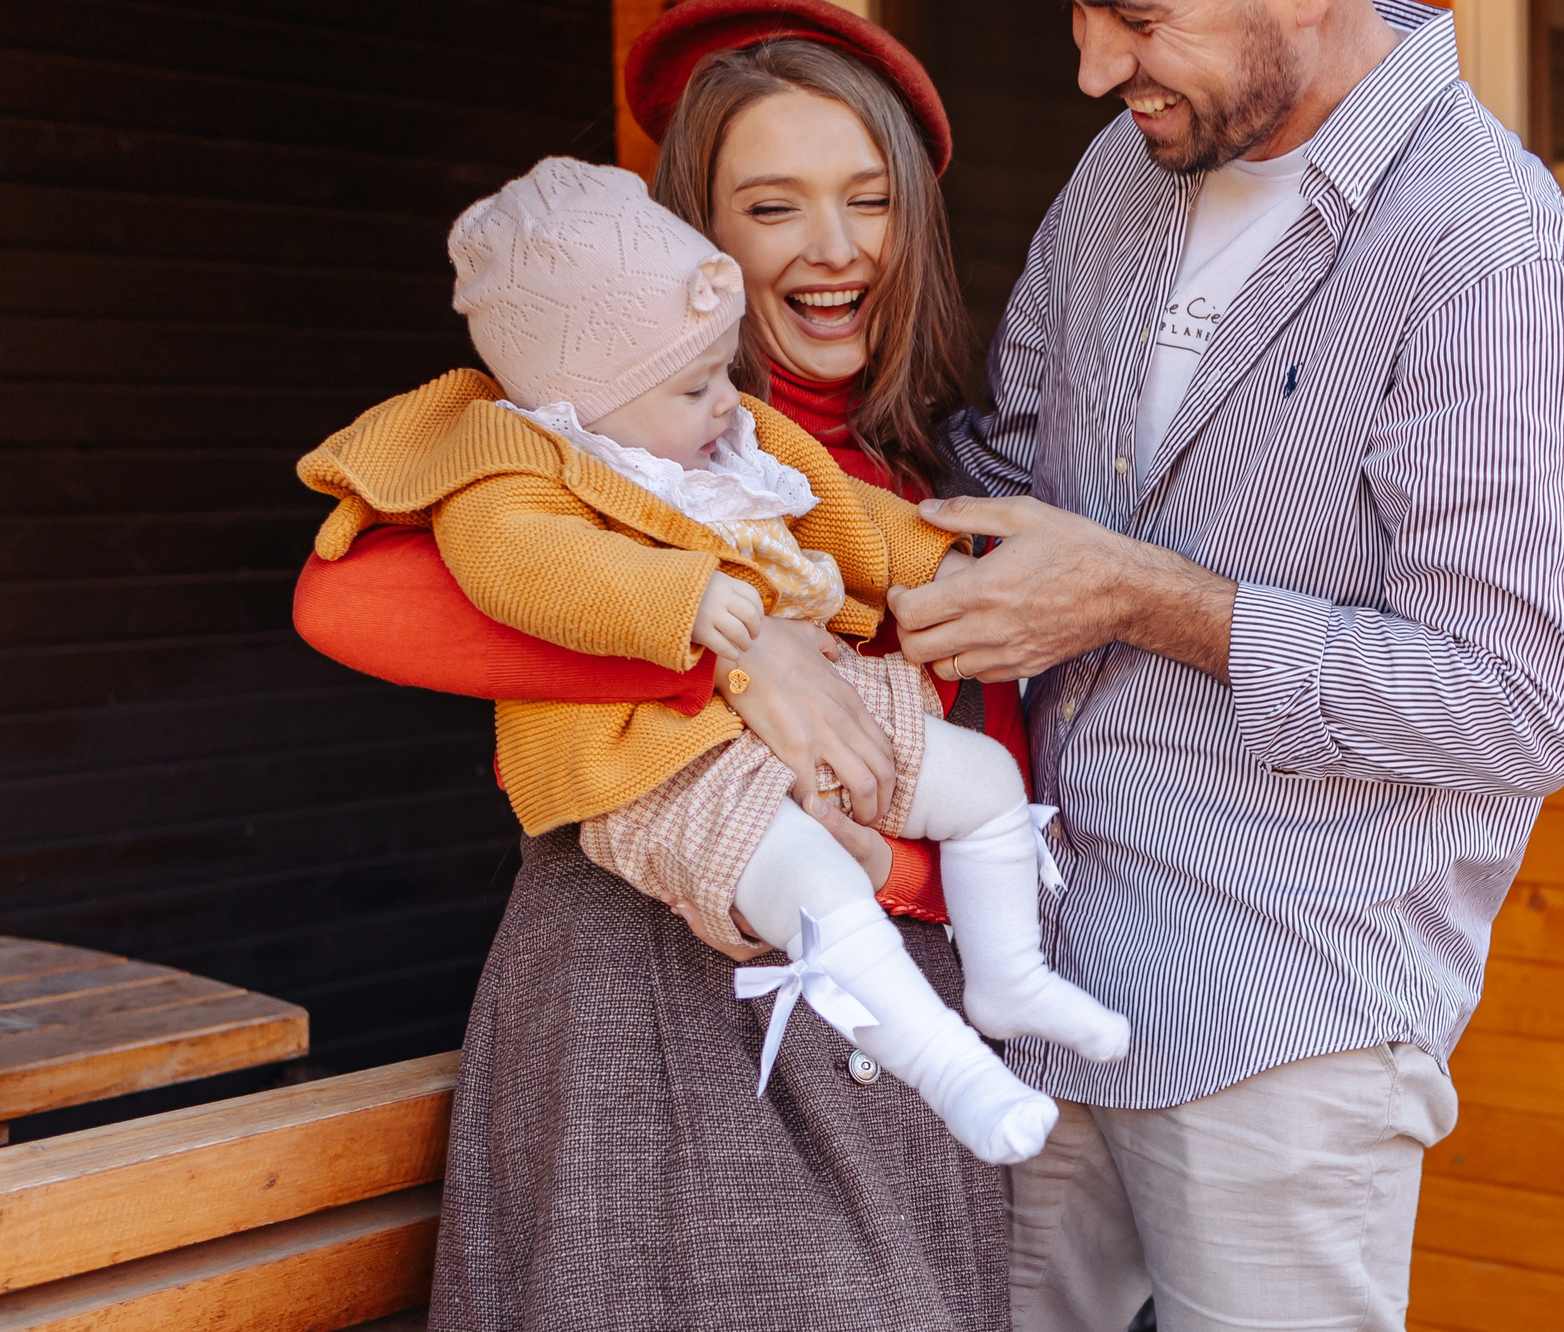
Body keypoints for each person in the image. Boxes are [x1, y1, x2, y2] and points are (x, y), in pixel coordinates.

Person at [885, 0, 1564, 1332]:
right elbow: (1010, 468)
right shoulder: (1121, 175)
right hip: (1041, 961)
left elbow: (1518, 706)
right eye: (1074, 8)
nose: (1093, 67)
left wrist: (1144, 598)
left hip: (1285, 1014)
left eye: (1137, 16)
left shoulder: (1496, 270)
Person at [291, 0, 1031, 1332]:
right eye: (773, 205)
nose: (834, 248)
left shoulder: (929, 455)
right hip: (664, 998)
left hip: (899, 1015)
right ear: (696, 240)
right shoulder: (585, 441)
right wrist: (734, 642)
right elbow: (346, 595)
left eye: (870, 199)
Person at [299, 156, 1129, 1161]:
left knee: (987, 783)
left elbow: (843, 513)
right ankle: (951, 1067)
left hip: (824, 714)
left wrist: (939, 564)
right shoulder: (514, 469)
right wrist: (680, 599)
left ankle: (1009, 973)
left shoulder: (723, 433)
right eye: (697, 384)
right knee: (813, 881)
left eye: (870, 198)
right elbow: (528, 566)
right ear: (582, 400)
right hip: (659, 760)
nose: (729, 404)